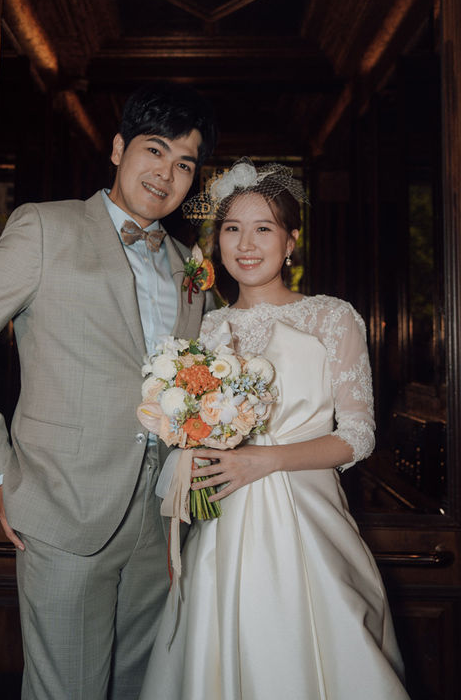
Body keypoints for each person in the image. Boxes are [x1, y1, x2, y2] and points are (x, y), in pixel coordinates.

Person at [0, 81, 217, 700]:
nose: (166, 174)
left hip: (161, 518)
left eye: (184, 164)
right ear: (118, 148)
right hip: (63, 507)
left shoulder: (191, 267)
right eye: (154, 150)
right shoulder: (45, 227)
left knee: (141, 687)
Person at [140, 159, 410, 700]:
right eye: (231, 229)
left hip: (308, 521)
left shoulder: (332, 318)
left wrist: (265, 460)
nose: (246, 244)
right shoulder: (204, 329)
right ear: (217, 242)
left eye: (263, 228)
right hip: (221, 524)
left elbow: (358, 436)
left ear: (290, 242)